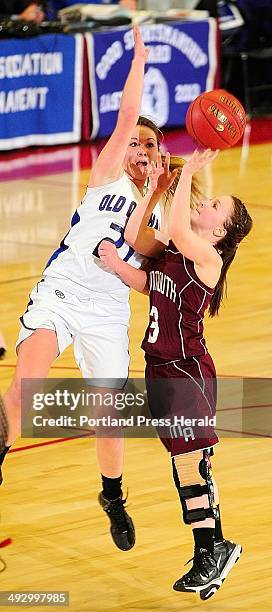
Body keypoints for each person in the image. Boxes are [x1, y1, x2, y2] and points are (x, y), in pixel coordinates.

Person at [0, 27, 181, 553]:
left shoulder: (160, 213)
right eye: (135, 144)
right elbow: (127, 118)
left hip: (106, 310)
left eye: (151, 144)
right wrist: (140, 60)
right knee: (24, 386)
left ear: (162, 154)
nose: (140, 150)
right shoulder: (106, 175)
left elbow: (146, 258)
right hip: (61, 291)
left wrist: (166, 189)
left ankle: (112, 495)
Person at [98, 148, 252, 599]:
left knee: (190, 463)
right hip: (160, 367)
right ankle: (213, 548)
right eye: (211, 199)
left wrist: (193, 172)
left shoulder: (208, 259)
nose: (207, 204)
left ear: (220, 232)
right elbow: (150, 281)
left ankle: (212, 549)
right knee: (185, 464)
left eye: (215, 207)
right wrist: (116, 263)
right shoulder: (180, 251)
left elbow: (181, 227)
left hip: (186, 371)